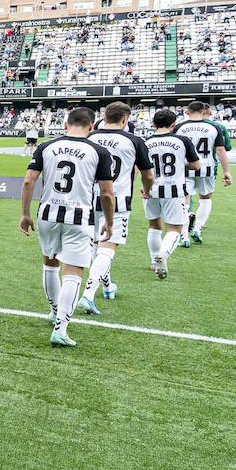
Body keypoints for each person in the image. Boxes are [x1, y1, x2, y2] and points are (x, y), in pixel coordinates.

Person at [19, 107, 115, 347]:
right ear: (92, 127)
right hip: (79, 217)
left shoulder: (45, 147)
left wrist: (24, 213)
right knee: (74, 271)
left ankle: (54, 312)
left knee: (50, 264)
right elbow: (106, 192)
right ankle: (61, 328)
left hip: (47, 213)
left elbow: (29, 180)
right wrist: (110, 222)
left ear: (65, 125)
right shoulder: (98, 151)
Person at [78, 103, 155, 315]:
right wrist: (147, 190)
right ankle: (88, 294)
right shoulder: (134, 141)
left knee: (95, 244)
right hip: (117, 200)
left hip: (86, 198)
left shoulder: (89, 137)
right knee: (107, 246)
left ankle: (107, 286)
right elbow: (148, 175)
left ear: (104, 117)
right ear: (125, 120)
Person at [143, 110, 202, 279]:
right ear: (173, 124)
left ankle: (154, 261)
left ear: (154, 124)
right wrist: (180, 164)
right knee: (175, 228)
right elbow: (196, 165)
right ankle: (163, 254)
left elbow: (141, 168)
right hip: (174, 189)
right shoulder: (182, 140)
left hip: (151, 189)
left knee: (154, 226)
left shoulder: (145, 142)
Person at [174, 101, 233, 245]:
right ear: (203, 111)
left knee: (184, 200)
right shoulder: (214, 127)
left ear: (187, 112)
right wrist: (226, 171)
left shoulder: (179, 127)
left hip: (186, 168)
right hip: (207, 167)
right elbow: (221, 150)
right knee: (205, 198)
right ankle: (198, 228)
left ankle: (184, 236)